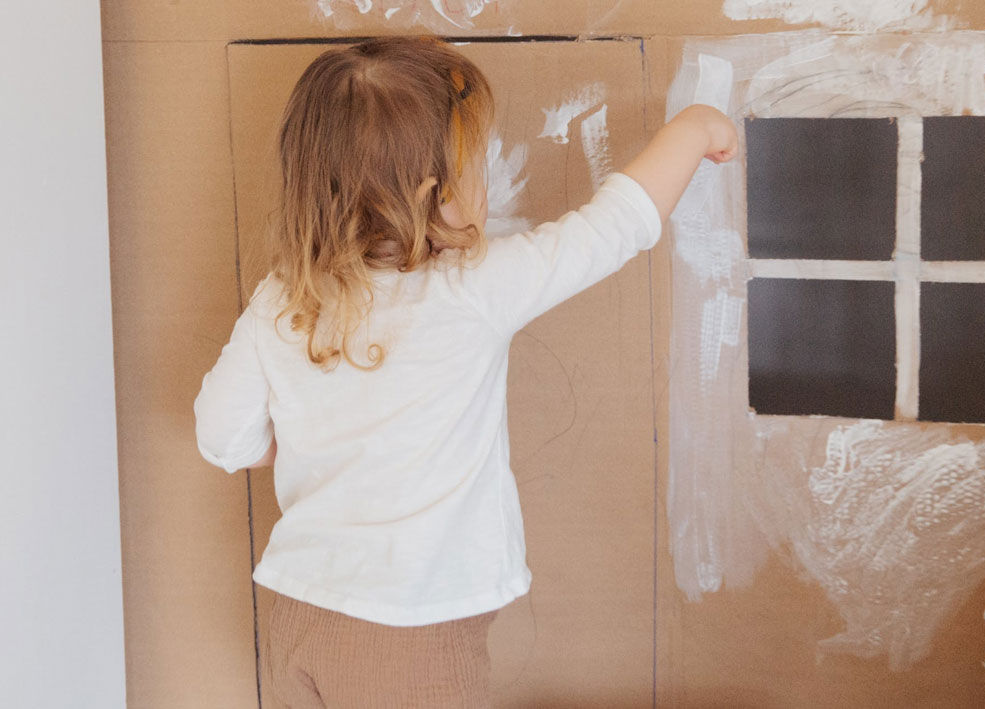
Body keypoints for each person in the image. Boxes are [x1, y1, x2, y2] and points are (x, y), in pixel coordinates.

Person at [194, 37, 736, 707]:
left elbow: (220, 435)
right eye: (479, 167)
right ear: (435, 196)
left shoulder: (284, 300)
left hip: (300, 611)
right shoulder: (472, 288)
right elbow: (613, 226)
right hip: (413, 633)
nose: (488, 183)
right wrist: (693, 128)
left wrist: (288, 441)